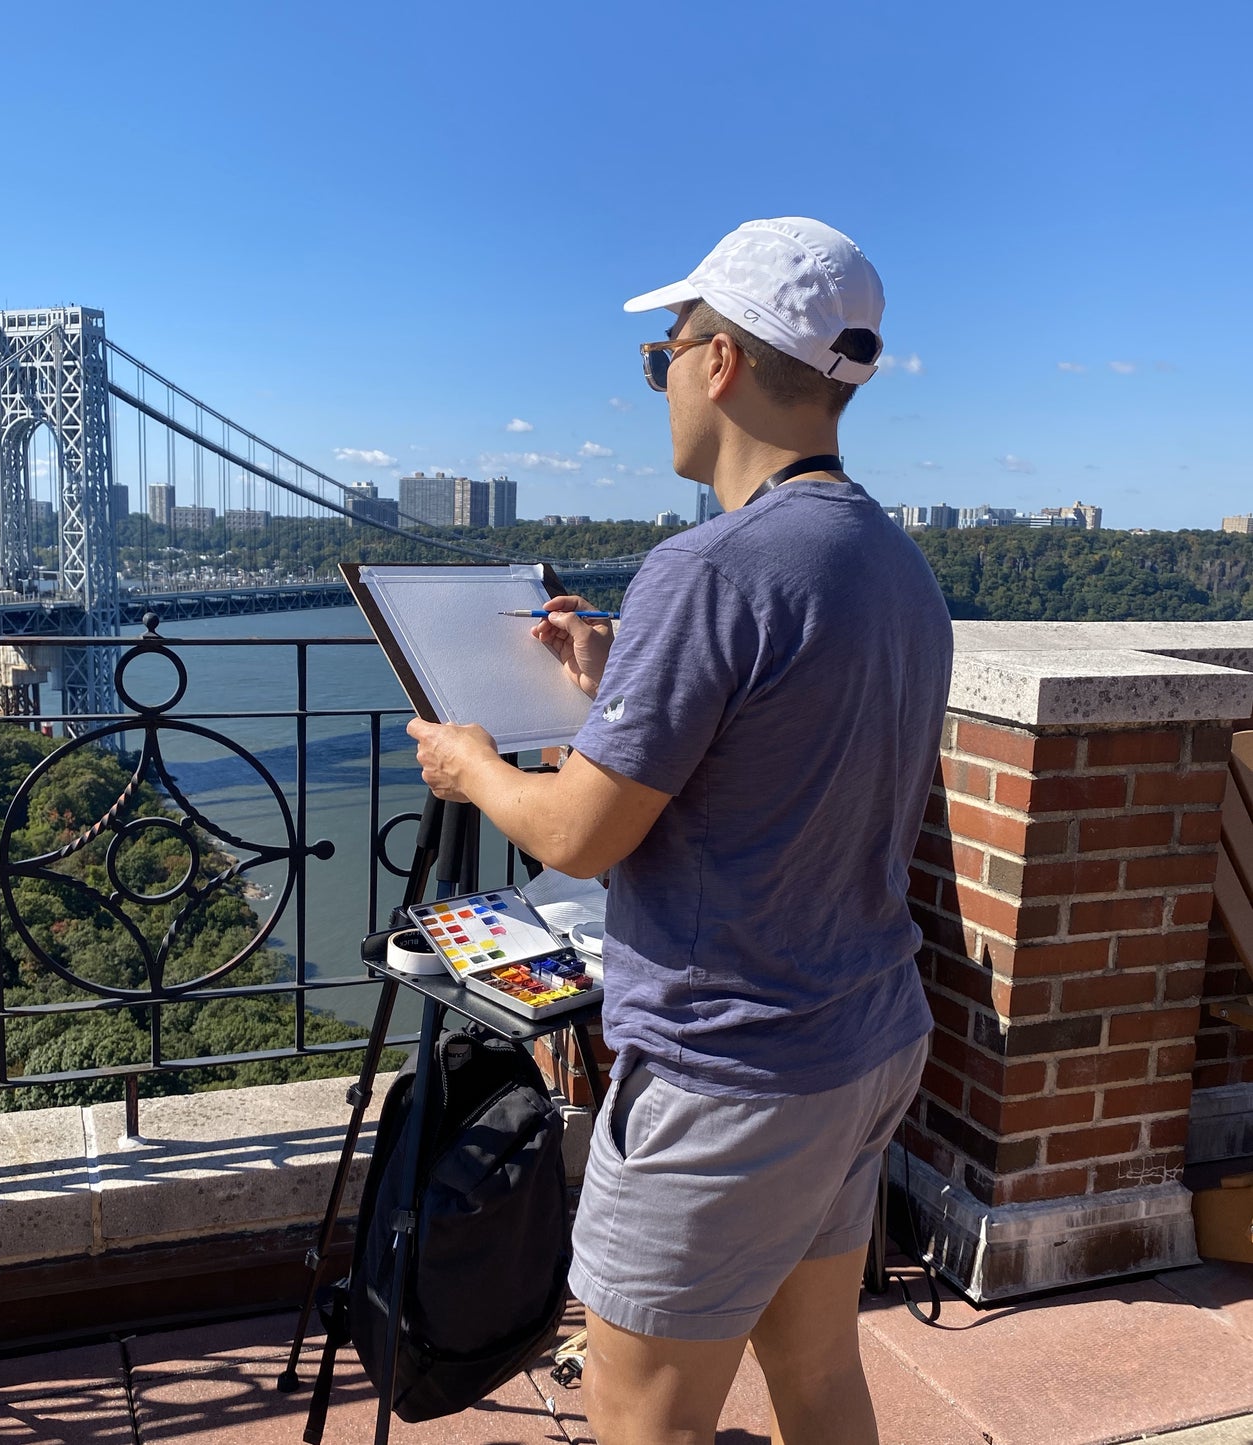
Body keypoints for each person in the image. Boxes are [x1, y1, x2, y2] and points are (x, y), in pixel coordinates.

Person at [408, 217, 953, 1445]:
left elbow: (579, 837)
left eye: (663, 354)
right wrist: (615, 682)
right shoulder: (892, 561)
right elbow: (767, 765)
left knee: (645, 1415)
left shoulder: (706, 568)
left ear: (718, 362)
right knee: (817, 1374)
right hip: (861, 1033)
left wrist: (473, 765)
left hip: (728, 1067)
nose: (657, 382)